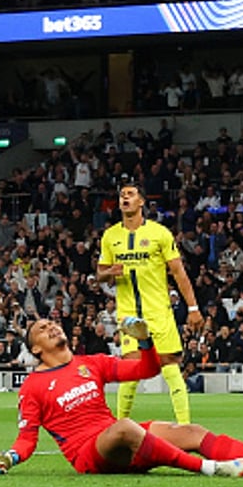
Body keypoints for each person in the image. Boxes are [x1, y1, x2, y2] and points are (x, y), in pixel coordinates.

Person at [0, 317, 243, 478]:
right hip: (90, 454)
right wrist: (10, 458)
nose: (52, 327)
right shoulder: (32, 386)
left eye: (52, 324)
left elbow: (147, 369)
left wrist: (146, 342)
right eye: (42, 329)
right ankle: (209, 468)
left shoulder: (91, 363)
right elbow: (27, 439)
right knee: (125, 426)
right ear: (36, 349)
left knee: (190, 431)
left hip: (121, 437)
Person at [97, 179, 203, 424]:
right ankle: (121, 426)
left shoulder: (160, 233)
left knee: (170, 364)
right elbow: (100, 274)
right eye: (122, 195)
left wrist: (193, 308)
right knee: (131, 366)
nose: (125, 198)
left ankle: (185, 426)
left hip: (158, 311)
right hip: (128, 313)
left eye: (131, 194)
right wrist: (109, 272)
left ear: (141, 201)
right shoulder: (110, 236)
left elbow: (178, 272)